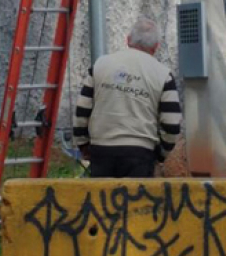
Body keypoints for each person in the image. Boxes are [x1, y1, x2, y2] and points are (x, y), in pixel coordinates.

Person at [72, 16, 182, 178]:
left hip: (102, 150)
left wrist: (83, 145)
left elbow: (82, 110)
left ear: (128, 40)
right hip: (140, 153)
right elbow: (172, 125)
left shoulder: (100, 65)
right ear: (156, 47)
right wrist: (160, 154)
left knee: (101, 202)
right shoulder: (163, 75)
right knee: (136, 203)